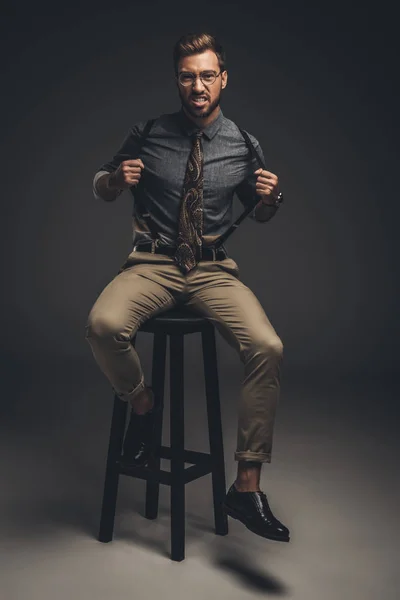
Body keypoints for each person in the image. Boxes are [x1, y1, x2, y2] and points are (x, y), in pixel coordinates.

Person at [85, 32, 290, 543]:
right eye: (186, 76)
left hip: (212, 270)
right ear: (177, 79)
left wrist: (272, 197)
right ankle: (143, 407)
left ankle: (245, 487)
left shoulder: (243, 144)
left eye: (206, 75)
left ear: (222, 79)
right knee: (103, 326)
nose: (196, 86)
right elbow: (102, 185)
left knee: (267, 346)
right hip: (151, 264)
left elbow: (261, 213)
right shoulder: (149, 132)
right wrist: (115, 180)